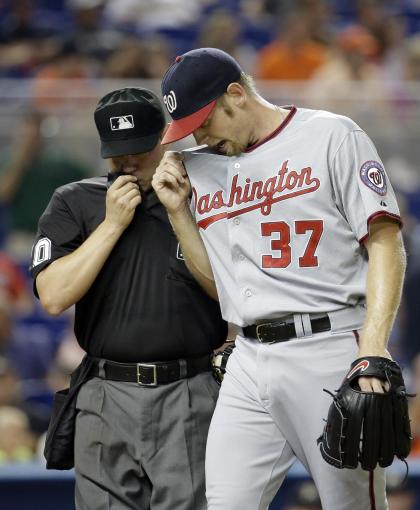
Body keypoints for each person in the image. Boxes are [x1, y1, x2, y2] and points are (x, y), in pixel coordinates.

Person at [152, 48, 406, 509]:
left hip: (327, 346)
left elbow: (385, 241)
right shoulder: (201, 169)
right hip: (247, 358)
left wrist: (373, 344)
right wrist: (179, 215)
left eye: (204, 121)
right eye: (190, 129)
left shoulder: (331, 135)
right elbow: (220, 289)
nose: (201, 136)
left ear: (236, 94)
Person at [29, 87, 227, 510]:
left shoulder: (201, 195)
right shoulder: (74, 201)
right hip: (104, 391)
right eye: (118, 152)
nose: (128, 162)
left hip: (188, 389)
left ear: (163, 138)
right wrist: (112, 224)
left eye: (139, 148)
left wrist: (179, 212)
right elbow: (52, 296)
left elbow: (230, 295)